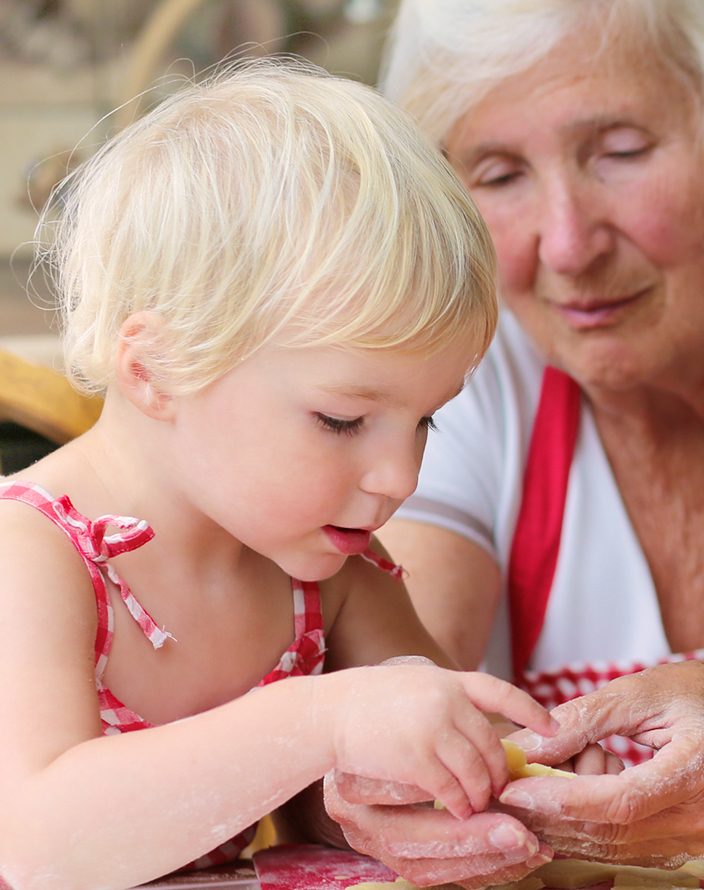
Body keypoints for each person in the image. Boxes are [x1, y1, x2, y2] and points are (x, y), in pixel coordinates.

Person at [318, 0, 704, 883]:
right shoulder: (456, 366)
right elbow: (392, 683)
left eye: (620, 153)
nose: (568, 246)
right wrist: (387, 782)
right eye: (499, 174)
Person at [0, 60, 561, 890]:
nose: (400, 476)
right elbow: (39, 844)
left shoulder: (327, 570)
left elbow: (369, 799)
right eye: (342, 420)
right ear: (156, 369)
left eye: (426, 420)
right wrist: (320, 719)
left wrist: (526, 778)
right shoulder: (30, 555)